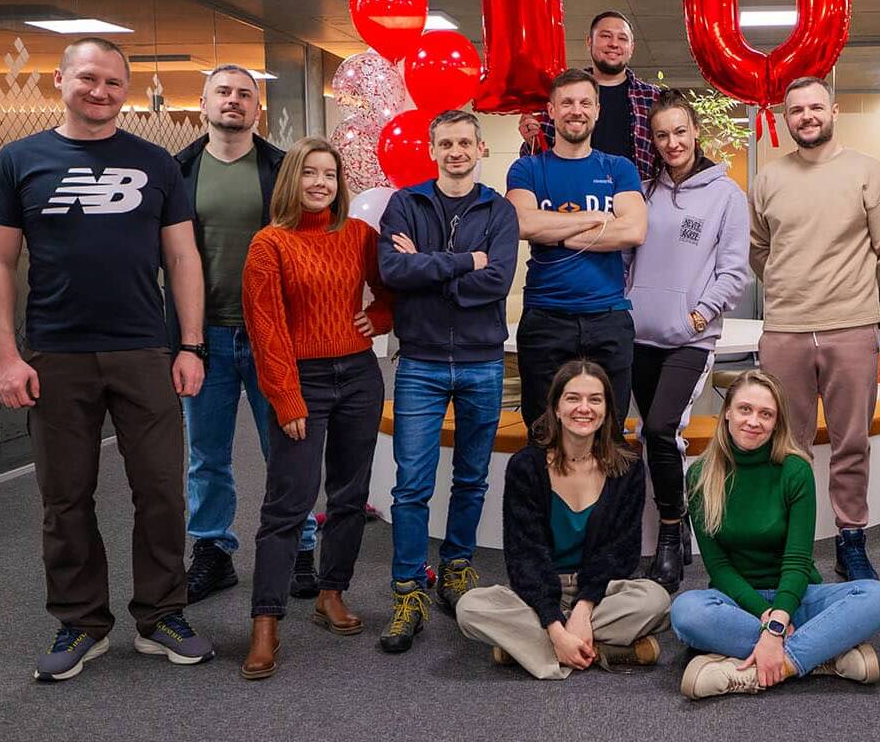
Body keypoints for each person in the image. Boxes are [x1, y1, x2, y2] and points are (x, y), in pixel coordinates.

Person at [0, 36, 215, 682]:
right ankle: (82, 622)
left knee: (163, 491)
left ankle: (162, 614)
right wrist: (6, 356)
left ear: (125, 90)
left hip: (144, 350)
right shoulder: (19, 160)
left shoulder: (156, 164)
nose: (100, 91)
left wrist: (191, 344)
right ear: (59, 80)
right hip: (56, 353)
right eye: (88, 78)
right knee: (65, 497)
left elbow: (184, 258)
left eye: (113, 82)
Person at [238, 137, 394, 680]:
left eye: (329, 175)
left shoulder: (358, 235)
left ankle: (332, 593)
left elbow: (390, 287)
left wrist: (380, 319)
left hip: (358, 377)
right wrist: (285, 396)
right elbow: (266, 329)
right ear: (291, 181)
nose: (320, 183)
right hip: (301, 380)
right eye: (310, 174)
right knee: (289, 501)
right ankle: (266, 621)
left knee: (350, 497)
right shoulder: (269, 244)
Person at [749, 75, 880, 581]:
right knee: (783, 446)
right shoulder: (769, 179)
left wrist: (853, 285)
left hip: (850, 327)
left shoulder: (868, 172)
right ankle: (788, 543)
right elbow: (759, 251)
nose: (806, 117)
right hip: (785, 329)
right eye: (796, 110)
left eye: (815, 107)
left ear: (833, 110)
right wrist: (792, 284)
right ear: (786, 118)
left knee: (850, 441)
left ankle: (851, 538)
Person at [172, 65, 320, 603]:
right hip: (203, 336)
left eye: (244, 95)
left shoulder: (281, 170)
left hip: (273, 334)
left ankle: (301, 544)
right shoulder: (179, 170)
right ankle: (213, 550)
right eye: (223, 93)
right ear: (204, 103)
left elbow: (313, 246)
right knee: (207, 453)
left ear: (257, 108)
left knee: (285, 446)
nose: (233, 101)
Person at [375, 109, 520, 654]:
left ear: (481, 149)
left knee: (472, 478)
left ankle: (456, 565)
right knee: (411, 484)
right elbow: (393, 272)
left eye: (464, 142)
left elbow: (498, 279)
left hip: (484, 360)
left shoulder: (499, 210)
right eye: (445, 143)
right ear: (431, 150)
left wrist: (434, 273)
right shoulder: (405, 204)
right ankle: (408, 589)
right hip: (421, 362)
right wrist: (465, 262)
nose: (455, 151)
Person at [671, 371, 880, 699]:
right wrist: (766, 618)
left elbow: (798, 561)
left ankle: (763, 669)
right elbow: (718, 568)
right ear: (727, 412)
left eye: (766, 414)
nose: (753, 421)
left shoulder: (795, 470)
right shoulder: (701, 476)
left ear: (776, 423)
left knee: (878, 598)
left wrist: (779, 621)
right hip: (739, 604)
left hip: (798, 597)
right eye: (745, 409)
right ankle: (823, 655)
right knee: (686, 612)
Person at [455, 360, 672, 679]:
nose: (583, 408)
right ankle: (592, 649)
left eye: (595, 399)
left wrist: (583, 609)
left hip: (602, 591)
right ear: (556, 407)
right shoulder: (526, 467)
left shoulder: (628, 468)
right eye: (573, 398)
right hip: (541, 588)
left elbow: (620, 554)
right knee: (470, 607)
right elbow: (525, 558)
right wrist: (555, 626)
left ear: (607, 410)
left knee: (657, 601)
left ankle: (525, 647)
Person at [627, 90, 750, 591]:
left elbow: (734, 271)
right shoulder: (642, 192)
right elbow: (626, 260)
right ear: (653, 141)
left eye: (680, 131)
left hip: (689, 338)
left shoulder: (727, 196)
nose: (672, 142)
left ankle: (673, 538)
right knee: (647, 437)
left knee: (660, 429)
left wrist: (700, 314)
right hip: (638, 335)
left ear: (695, 131)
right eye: (662, 135)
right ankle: (665, 536)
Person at [507, 68, 648, 429]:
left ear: (597, 110)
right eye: (566, 102)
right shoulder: (527, 168)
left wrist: (553, 230)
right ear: (551, 110)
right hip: (545, 318)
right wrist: (596, 219)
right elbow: (522, 223)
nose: (576, 110)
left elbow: (633, 230)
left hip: (608, 318)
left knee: (609, 432)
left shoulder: (619, 168)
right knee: (542, 430)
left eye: (585, 102)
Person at [519, 10, 663, 180]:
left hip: (637, 199)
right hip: (573, 197)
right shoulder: (562, 91)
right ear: (589, 42)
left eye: (622, 39)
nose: (614, 44)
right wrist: (531, 140)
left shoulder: (653, 98)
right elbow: (539, 154)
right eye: (606, 36)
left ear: (631, 48)